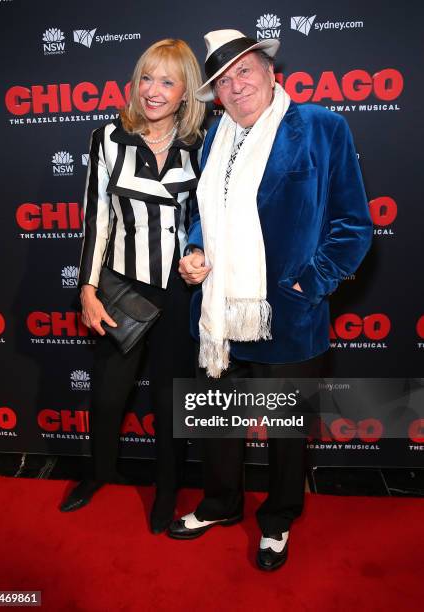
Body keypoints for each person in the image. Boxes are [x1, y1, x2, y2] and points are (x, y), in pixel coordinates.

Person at [169, 30, 373, 568]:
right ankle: (220, 502)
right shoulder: (215, 136)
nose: (236, 87)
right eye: (223, 81)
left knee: (285, 431)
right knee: (218, 421)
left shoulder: (323, 128)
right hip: (216, 312)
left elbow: (353, 226)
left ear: (269, 72)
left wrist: (311, 282)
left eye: (244, 72)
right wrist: (193, 252)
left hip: (287, 314)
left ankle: (279, 517)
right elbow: (203, 217)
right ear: (215, 94)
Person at [59, 39, 205, 535]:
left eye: (167, 81)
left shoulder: (202, 142)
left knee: (170, 401)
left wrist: (201, 258)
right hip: (121, 287)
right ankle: (98, 473)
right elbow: (95, 217)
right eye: (146, 77)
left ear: (186, 91)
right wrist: (87, 288)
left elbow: (208, 219)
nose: (153, 90)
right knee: (107, 396)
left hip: (180, 290)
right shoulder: (107, 137)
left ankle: (167, 491)